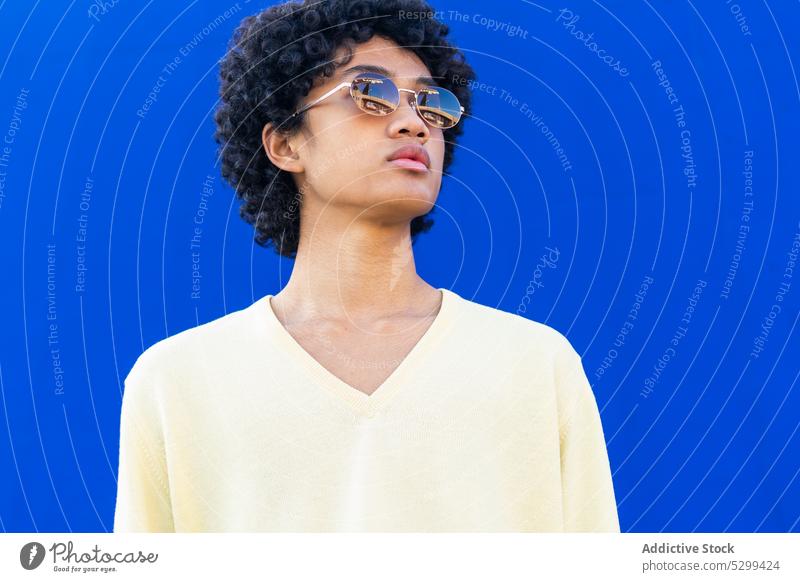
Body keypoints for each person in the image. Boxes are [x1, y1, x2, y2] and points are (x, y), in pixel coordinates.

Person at [113, 0, 619, 533]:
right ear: (284, 143)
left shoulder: (535, 364)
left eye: (432, 105)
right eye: (370, 92)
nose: (412, 123)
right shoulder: (178, 380)